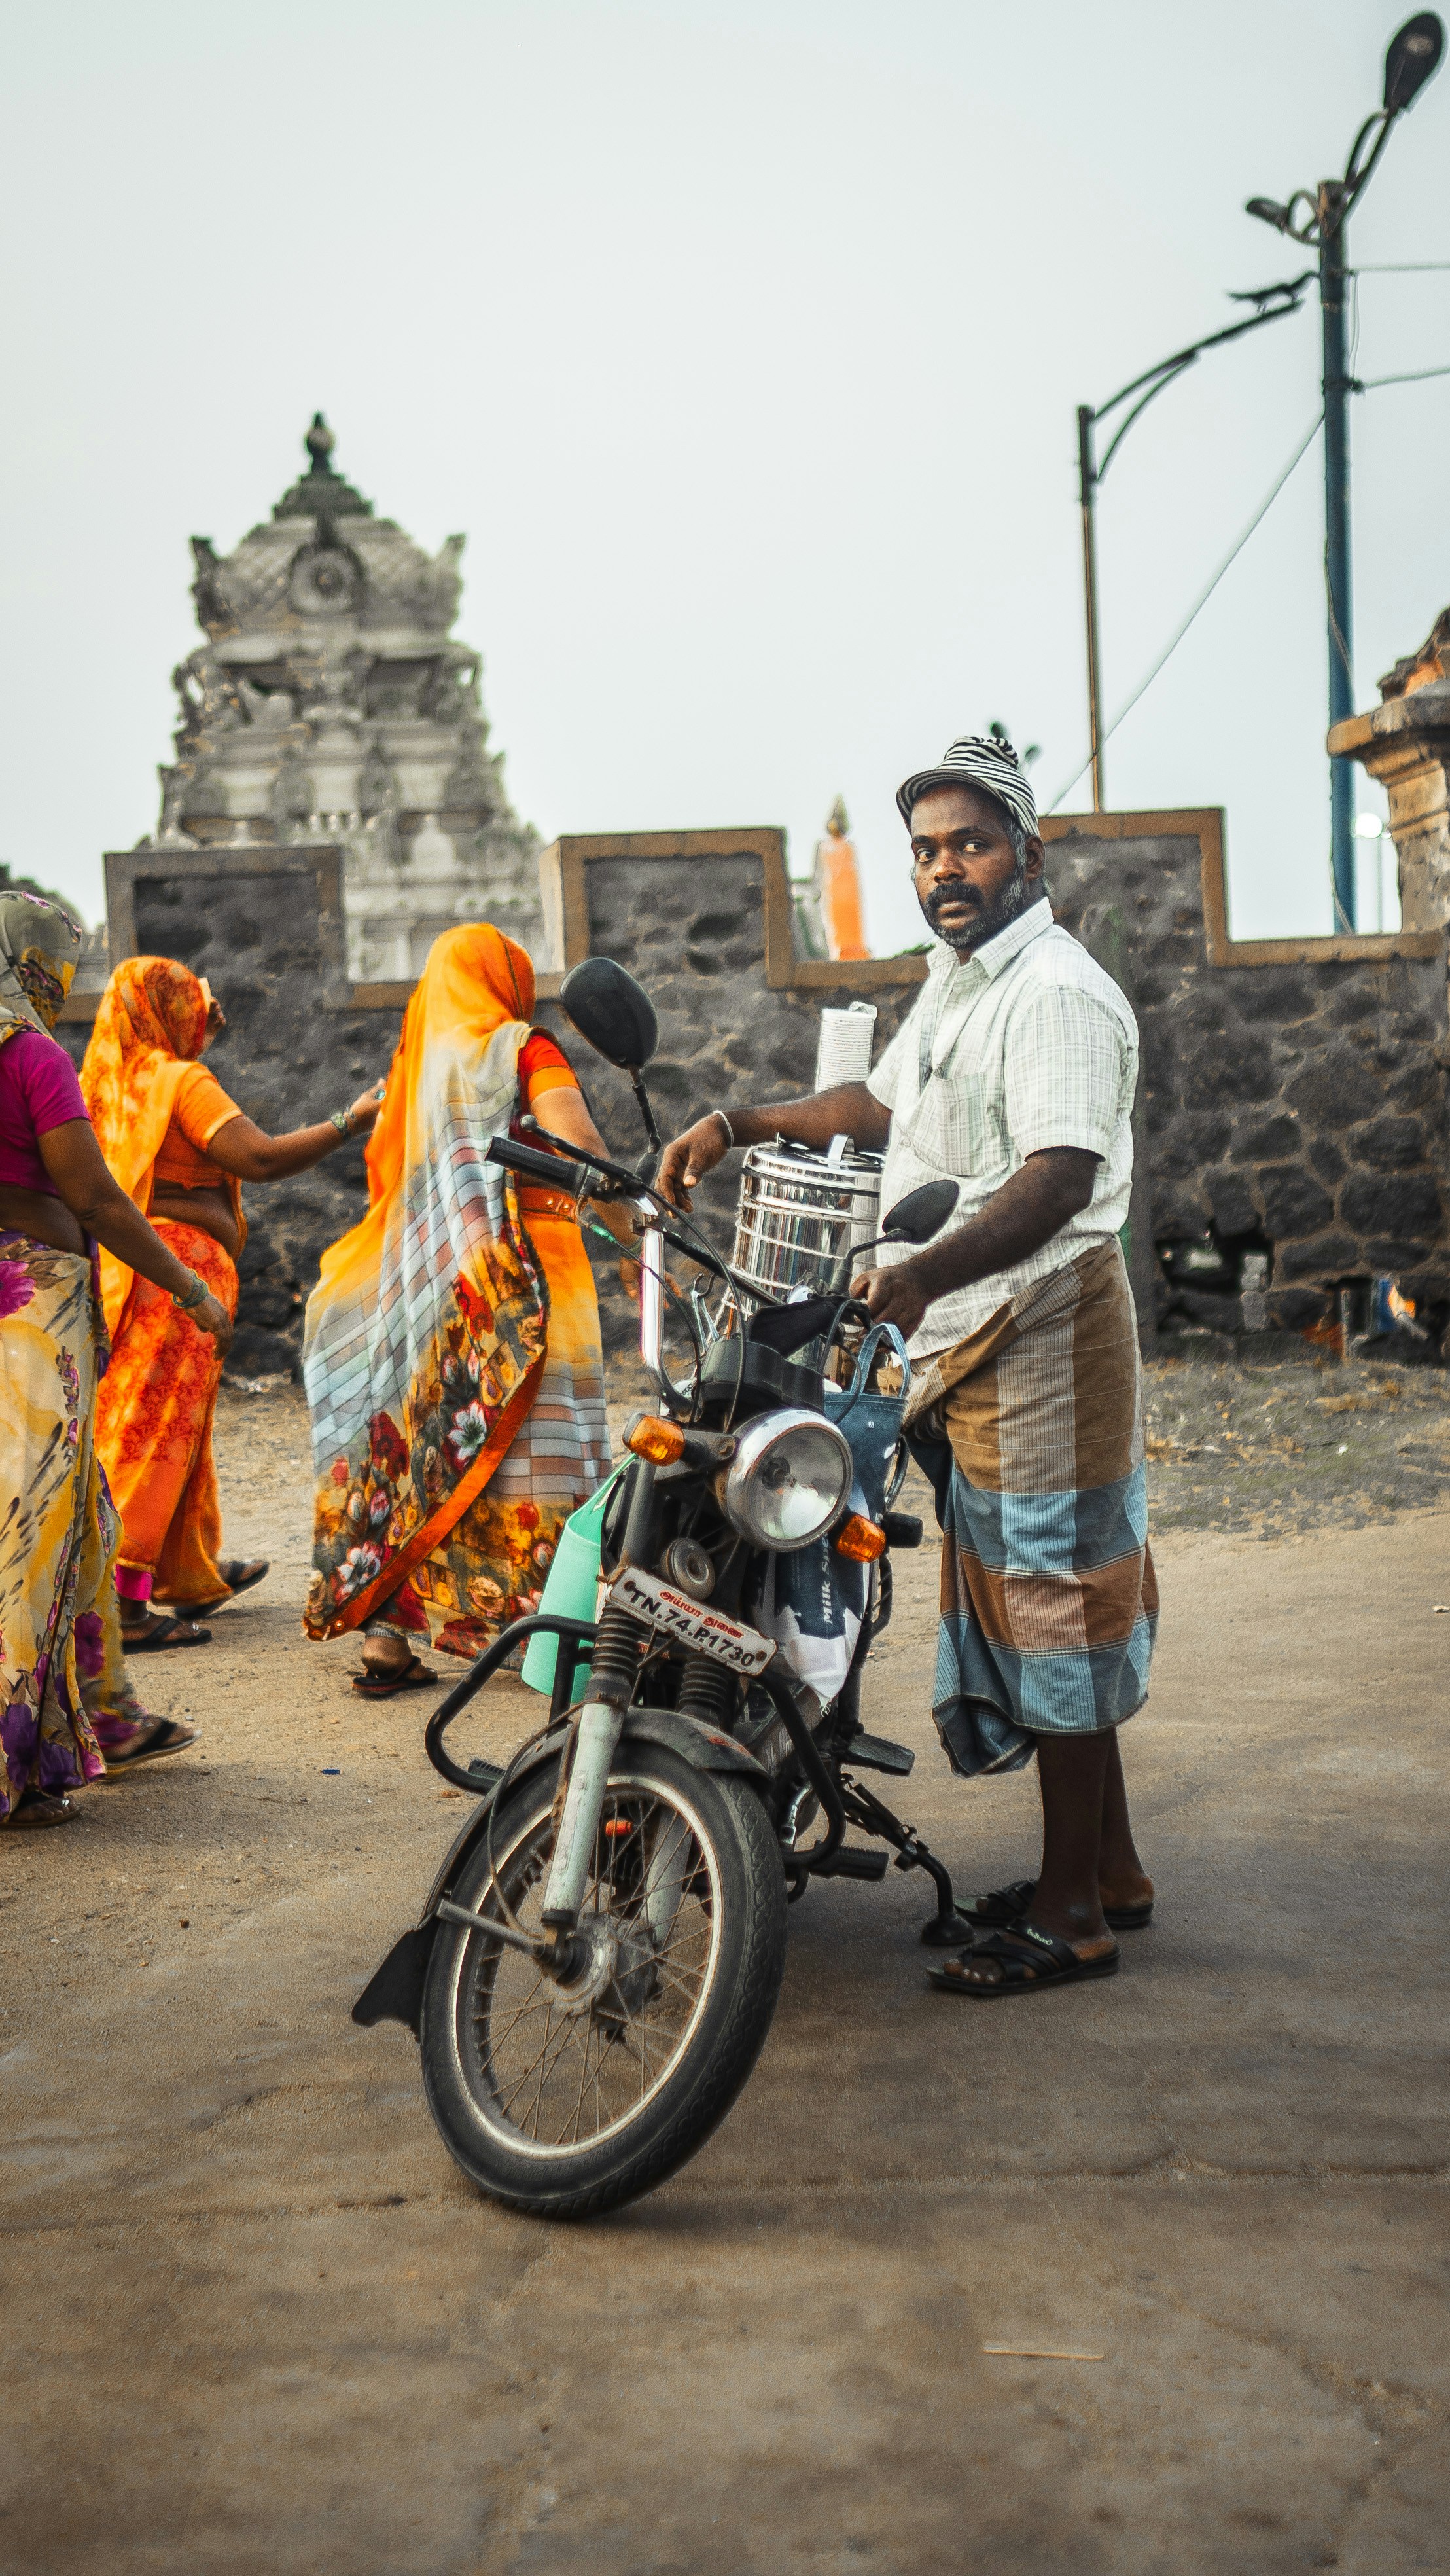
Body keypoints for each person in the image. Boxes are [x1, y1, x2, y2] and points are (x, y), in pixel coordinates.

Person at [658, 732, 1158, 2001]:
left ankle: (1069, 1918)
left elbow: (1060, 1175)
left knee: (1053, 1601)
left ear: (1027, 853)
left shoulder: (1053, 990)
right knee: (1025, 1592)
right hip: (972, 1335)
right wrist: (740, 1121)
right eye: (928, 849)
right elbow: (885, 1114)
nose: (946, 868)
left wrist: (923, 1274)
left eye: (971, 844)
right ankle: (1109, 1873)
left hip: (1043, 1321)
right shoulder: (958, 981)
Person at [302, 922, 633, 1694]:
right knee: (542, 1455)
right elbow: (583, 1151)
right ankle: (541, 1635)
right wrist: (645, 1242)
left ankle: (389, 1638)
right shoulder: (519, 1046)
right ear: (505, 981)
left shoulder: (413, 1072)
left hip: (430, 1295)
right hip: (530, 1277)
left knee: (430, 1454)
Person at [0, 896, 230, 1827]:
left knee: (79, 1510)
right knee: (30, 1534)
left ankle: (103, 1716)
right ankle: (13, 1759)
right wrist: (187, 1285)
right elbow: (95, 1198)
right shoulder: (32, 1057)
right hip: (31, 1314)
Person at [80, 956, 387, 1651]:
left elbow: (126, 1178)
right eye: (193, 1003)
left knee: (135, 1427)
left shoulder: (105, 1084)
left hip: (125, 1276)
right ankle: (124, 1610)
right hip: (176, 1285)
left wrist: (176, 1194)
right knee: (156, 1439)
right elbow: (263, 1158)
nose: (206, 1015)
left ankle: (179, 1574)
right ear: (168, 1010)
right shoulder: (181, 1080)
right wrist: (353, 1119)